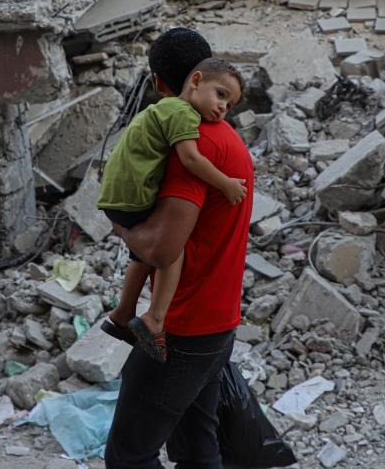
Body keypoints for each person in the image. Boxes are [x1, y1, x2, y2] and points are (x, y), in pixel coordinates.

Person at [104, 29, 255, 469]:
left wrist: (121, 227)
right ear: (200, 75)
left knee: (129, 457)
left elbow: (163, 249)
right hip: (217, 323)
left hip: (185, 329)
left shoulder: (195, 142)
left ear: (157, 82)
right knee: (196, 450)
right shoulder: (225, 136)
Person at [97, 57, 247, 362]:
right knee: (171, 251)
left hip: (116, 197)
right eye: (220, 95)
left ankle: (123, 312)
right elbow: (191, 160)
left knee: (140, 257)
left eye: (229, 105)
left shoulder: (162, 108)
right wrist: (226, 184)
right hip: (132, 200)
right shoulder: (184, 115)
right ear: (195, 80)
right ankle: (155, 318)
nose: (222, 108)